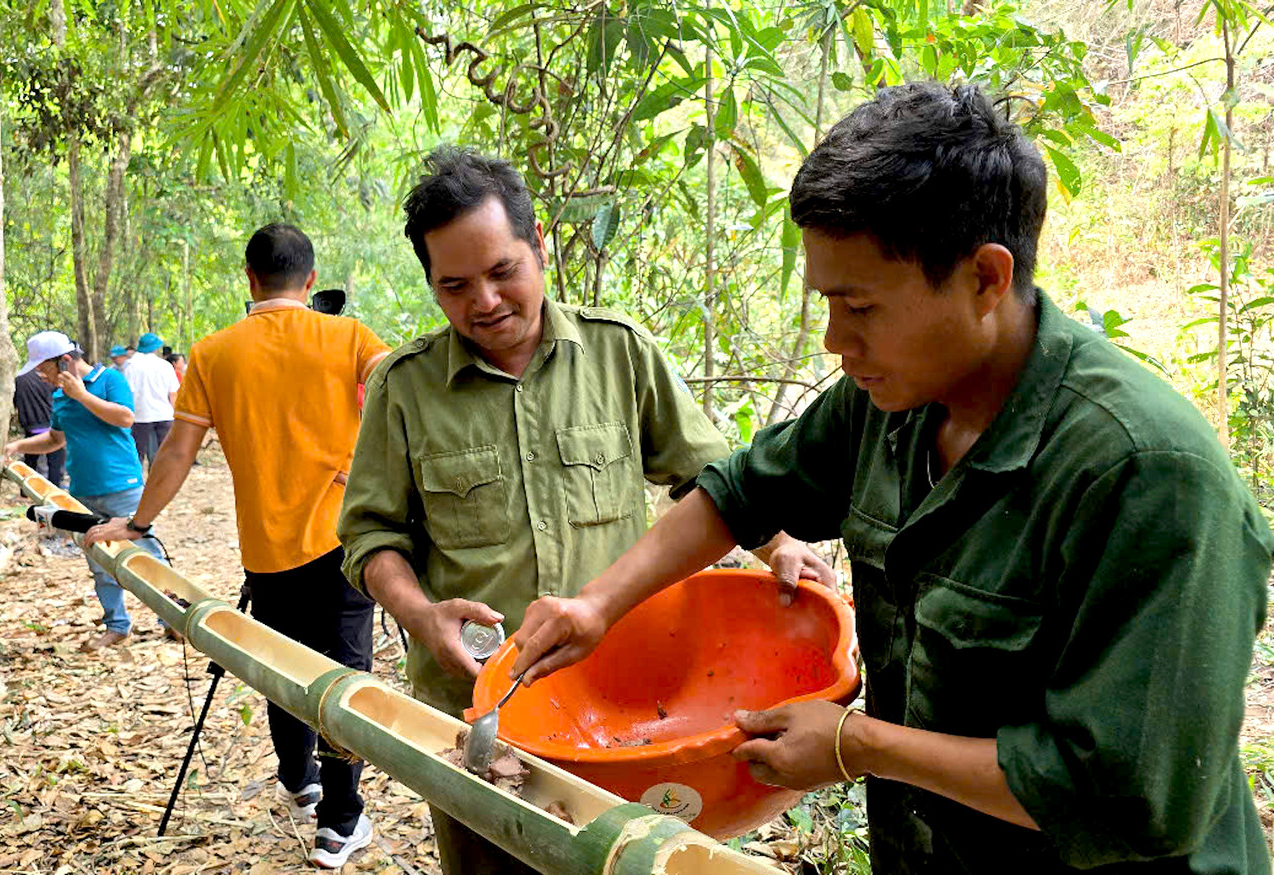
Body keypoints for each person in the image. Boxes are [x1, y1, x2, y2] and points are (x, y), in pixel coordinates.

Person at [509, 83, 1274, 875]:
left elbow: (1125, 794)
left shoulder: (1146, 477)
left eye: (861, 307)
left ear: (984, 277)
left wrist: (858, 743)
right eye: (827, 305)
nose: (837, 340)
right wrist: (597, 604)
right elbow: (741, 492)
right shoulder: (890, 401)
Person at [335, 147, 830, 875]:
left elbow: (715, 479)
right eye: (455, 285)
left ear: (539, 246)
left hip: (626, 705)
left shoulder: (619, 354)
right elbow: (369, 537)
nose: (485, 301)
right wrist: (421, 615)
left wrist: (778, 543)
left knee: (624, 862)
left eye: (503, 271)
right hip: (482, 713)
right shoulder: (404, 390)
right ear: (433, 286)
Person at [85, 223, 391, 869]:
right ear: (310, 280)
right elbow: (405, 394)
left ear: (249, 278)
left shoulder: (214, 353)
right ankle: (339, 822)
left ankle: (298, 778)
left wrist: (136, 524)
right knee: (344, 675)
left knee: (280, 666)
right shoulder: (349, 335)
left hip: (267, 548)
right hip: (344, 544)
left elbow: (176, 452)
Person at [4, 332, 169, 652]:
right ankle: (116, 625)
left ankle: (172, 620)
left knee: (148, 556)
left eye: (44, 369)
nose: (42, 376)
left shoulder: (109, 379)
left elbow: (124, 418)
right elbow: (55, 439)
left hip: (123, 486)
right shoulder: (60, 396)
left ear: (64, 360)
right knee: (99, 559)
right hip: (81, 491)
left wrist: (81, 395)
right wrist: (18, 445)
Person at [122, 333, 179, 468]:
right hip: (164, 415)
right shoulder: (166, 366)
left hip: (140, 416)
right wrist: (176, 414)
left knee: (138, 453)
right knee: (164, 454)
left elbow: (128, 393)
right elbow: (173, 394)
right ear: (156, 348)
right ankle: (161, 484)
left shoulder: (131, 366)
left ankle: (138, 483)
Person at [13, 361, 66, 488]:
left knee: (30, 459)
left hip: (30, 424)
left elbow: (15, 401)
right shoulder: (46, 377)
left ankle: (25, 490)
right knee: (55, 460)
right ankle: (55, 487)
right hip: (48, 423)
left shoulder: (19, 378)